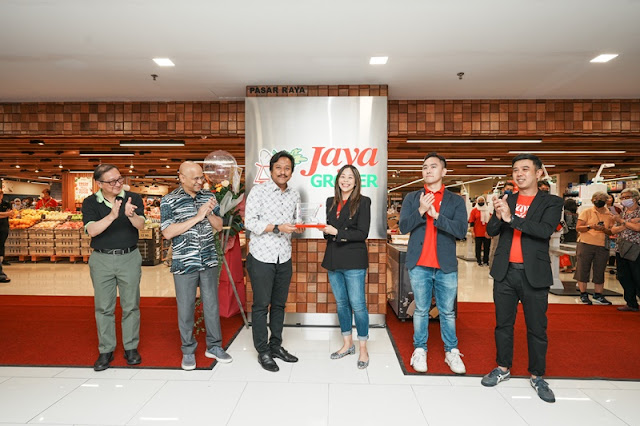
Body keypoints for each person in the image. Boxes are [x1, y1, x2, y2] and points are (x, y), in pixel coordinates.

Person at [481, 153, 563, 403]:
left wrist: (512, 218)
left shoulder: (551, 202)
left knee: (537, 328)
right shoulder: (508, 198)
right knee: (503, 325)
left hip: (534, 274)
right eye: (515, 169)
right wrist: (497, 215)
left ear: (538, 173)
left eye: (525, 169)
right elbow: (491, 231)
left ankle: (537, 375)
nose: (519, 173)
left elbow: (544, 231)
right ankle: (503, 368)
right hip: (505, 273)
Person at [399, 152, 468, 374]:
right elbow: (403, 227)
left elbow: (460, 231)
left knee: (447, 311)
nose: (428, 170)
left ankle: (452, 351)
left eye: (433, 166)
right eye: (425, 167)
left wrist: (437, 216)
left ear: (444, 172)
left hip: (445, 265)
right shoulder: (412, 198)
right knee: (420, 309)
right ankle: (420, 349)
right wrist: (420, 210)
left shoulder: (455, 200)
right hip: (419, 263)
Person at [161, 161, 233, 370]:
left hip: (209, 259)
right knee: (186, 308)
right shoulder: (169, 201)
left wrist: (209, 213)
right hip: (184, 262)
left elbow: (219, 226)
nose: (200, 181)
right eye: (195, 178)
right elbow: (168, 232)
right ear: (182, 177)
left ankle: (214, 346)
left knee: (211, 305)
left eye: (202, 177)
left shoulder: (208, 197)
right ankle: (188, 350)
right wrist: (198, 216)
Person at [82, 164, 145, 371]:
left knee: (131, 305)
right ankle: (106, 349)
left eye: (119, 179)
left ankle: (131, 347)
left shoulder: (133, 198)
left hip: (129, 257)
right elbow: (91, 230)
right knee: (103, 307)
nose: (118, 184)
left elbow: (141, 226)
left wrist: (130, 215)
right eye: (112, 181)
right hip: (101, 259)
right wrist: (111, 215)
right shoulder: (90, 202)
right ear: (99, 184)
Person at [245, 151, 302, 372]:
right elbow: (250, 222)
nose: (282, 172)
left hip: (284, 255)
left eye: (287, 168)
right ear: (271, 170)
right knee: (261, 305)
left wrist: (304, 222)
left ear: (291, 172)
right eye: (278, 167)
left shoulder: (294, 194)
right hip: (261, 256)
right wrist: (277, 227)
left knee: (279, 304)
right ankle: (263, 351)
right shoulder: (258, 191)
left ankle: (276, 345)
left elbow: (297, 220)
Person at [321, 165, 371, 369]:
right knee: (342, 304)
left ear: (356, 181)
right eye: (343, 176)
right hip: (334, 259)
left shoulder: (363, 201)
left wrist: (337, 232)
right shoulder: (330, 202)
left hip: (354, 260)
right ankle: (347, 344)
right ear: (338, 179)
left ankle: (363, 348)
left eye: (350, 177)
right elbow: (327, 229)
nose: (346, 180)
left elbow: (362, 233)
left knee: (358, 305)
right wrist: (326, 231)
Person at [574, 191, 616, 305]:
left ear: (607, 200)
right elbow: (578, 228)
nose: (599, 200)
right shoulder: (587, 212)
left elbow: (611, 230)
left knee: (600, 270)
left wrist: (604, 230)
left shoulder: (610, 214)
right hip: (585, 243)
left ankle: (598, 295)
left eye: (602, 198)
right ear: (592, 200)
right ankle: (583, 294)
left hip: (602, 245)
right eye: (596, 198)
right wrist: (590, 226)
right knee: (583, 268)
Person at [610, 188, 640, 312]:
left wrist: (622, 222)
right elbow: (613, 230)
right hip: (621, 247)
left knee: (637, 276)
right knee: (623, 276)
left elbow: (637, 228)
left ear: (635, 198)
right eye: (622, 197)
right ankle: (631, 302)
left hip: (635, 247)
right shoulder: (622, 212)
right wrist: (627, 223)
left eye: (626, 197)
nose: (623, 200)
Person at [489, 182, 516, 268]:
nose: (509, 191)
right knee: (494, 248)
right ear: (503, 190)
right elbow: (493, 215)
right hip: (499, 226)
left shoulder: (514, 200)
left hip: (509, 228)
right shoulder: (498, 200)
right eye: (507, 189)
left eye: (511, 190)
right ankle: (492, 267)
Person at [469, 195, 492, 266]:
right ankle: (478, 260)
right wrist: (472, 231)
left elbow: (491, 221)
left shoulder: (488, 210)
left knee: (487, 247)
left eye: (482, 201)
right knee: (478, 247)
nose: (481, 202)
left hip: (487, 232)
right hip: (477, 232)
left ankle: (486, 260)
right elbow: (471, 222)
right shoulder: (474, 211)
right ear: (477, 201)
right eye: (479, 201)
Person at [0, 190, 14, 279]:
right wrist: (6, 214)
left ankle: (2, 259)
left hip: (4, 226)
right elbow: (8, 213)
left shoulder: (6, 203)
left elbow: (11, 213)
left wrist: (4, 215)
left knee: (2, 244)